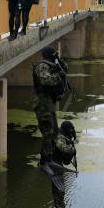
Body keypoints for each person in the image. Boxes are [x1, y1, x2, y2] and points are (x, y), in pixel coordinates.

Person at [33, 46, 69, 191]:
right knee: (47, 131)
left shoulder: (53, 64)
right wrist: (58, 76)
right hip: (42, 103)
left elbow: (65, 69)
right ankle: (43, 162)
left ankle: (49, 159)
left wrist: (59, 62)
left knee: (54, 131)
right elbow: (45, 80)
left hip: (49, 103)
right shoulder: (41, 66)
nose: (55, 56)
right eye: (54, 55)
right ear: (48, 55)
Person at [52, 120, 88, 208]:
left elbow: (66, 157)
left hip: (55, 163)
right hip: (52, 163)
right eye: (69, 134)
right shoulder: (59, 136)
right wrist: (72, 148)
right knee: (59, 189)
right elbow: (64, 148)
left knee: (60, 189)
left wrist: (71, 141)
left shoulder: (62, 135)